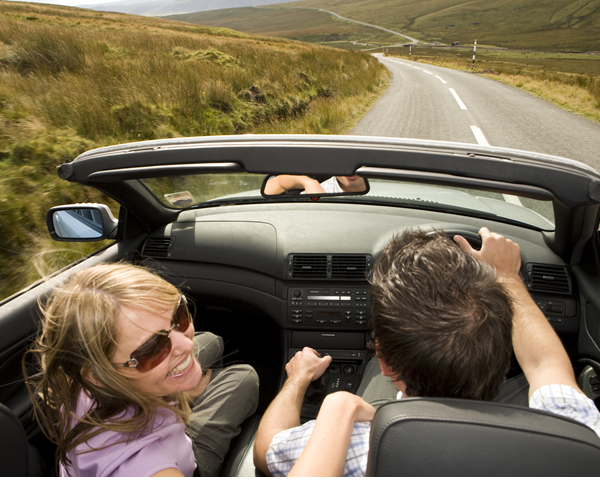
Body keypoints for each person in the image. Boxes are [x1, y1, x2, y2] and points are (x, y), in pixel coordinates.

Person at [253, 227, 600, 477]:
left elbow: (266, 452)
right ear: (503, 348)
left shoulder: (349, 446)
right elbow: (546, 364)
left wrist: (298, 379)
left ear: (387, 365)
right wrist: (507, 276)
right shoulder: (572, 432)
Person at [26, 263, 259, 477]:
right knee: (244, 378)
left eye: (178, 316)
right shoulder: (147, 467)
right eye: (152, 347)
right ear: (99, 376)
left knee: (211, 340)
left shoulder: (79, 375)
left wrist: (170, 392)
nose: (187, 344)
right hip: (182, 458)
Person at [264, 174, 366, 195]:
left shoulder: (381, 178)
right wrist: (306, 181)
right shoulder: (316, 192)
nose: (350, 170)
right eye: (342, 161)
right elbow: (266, 190)